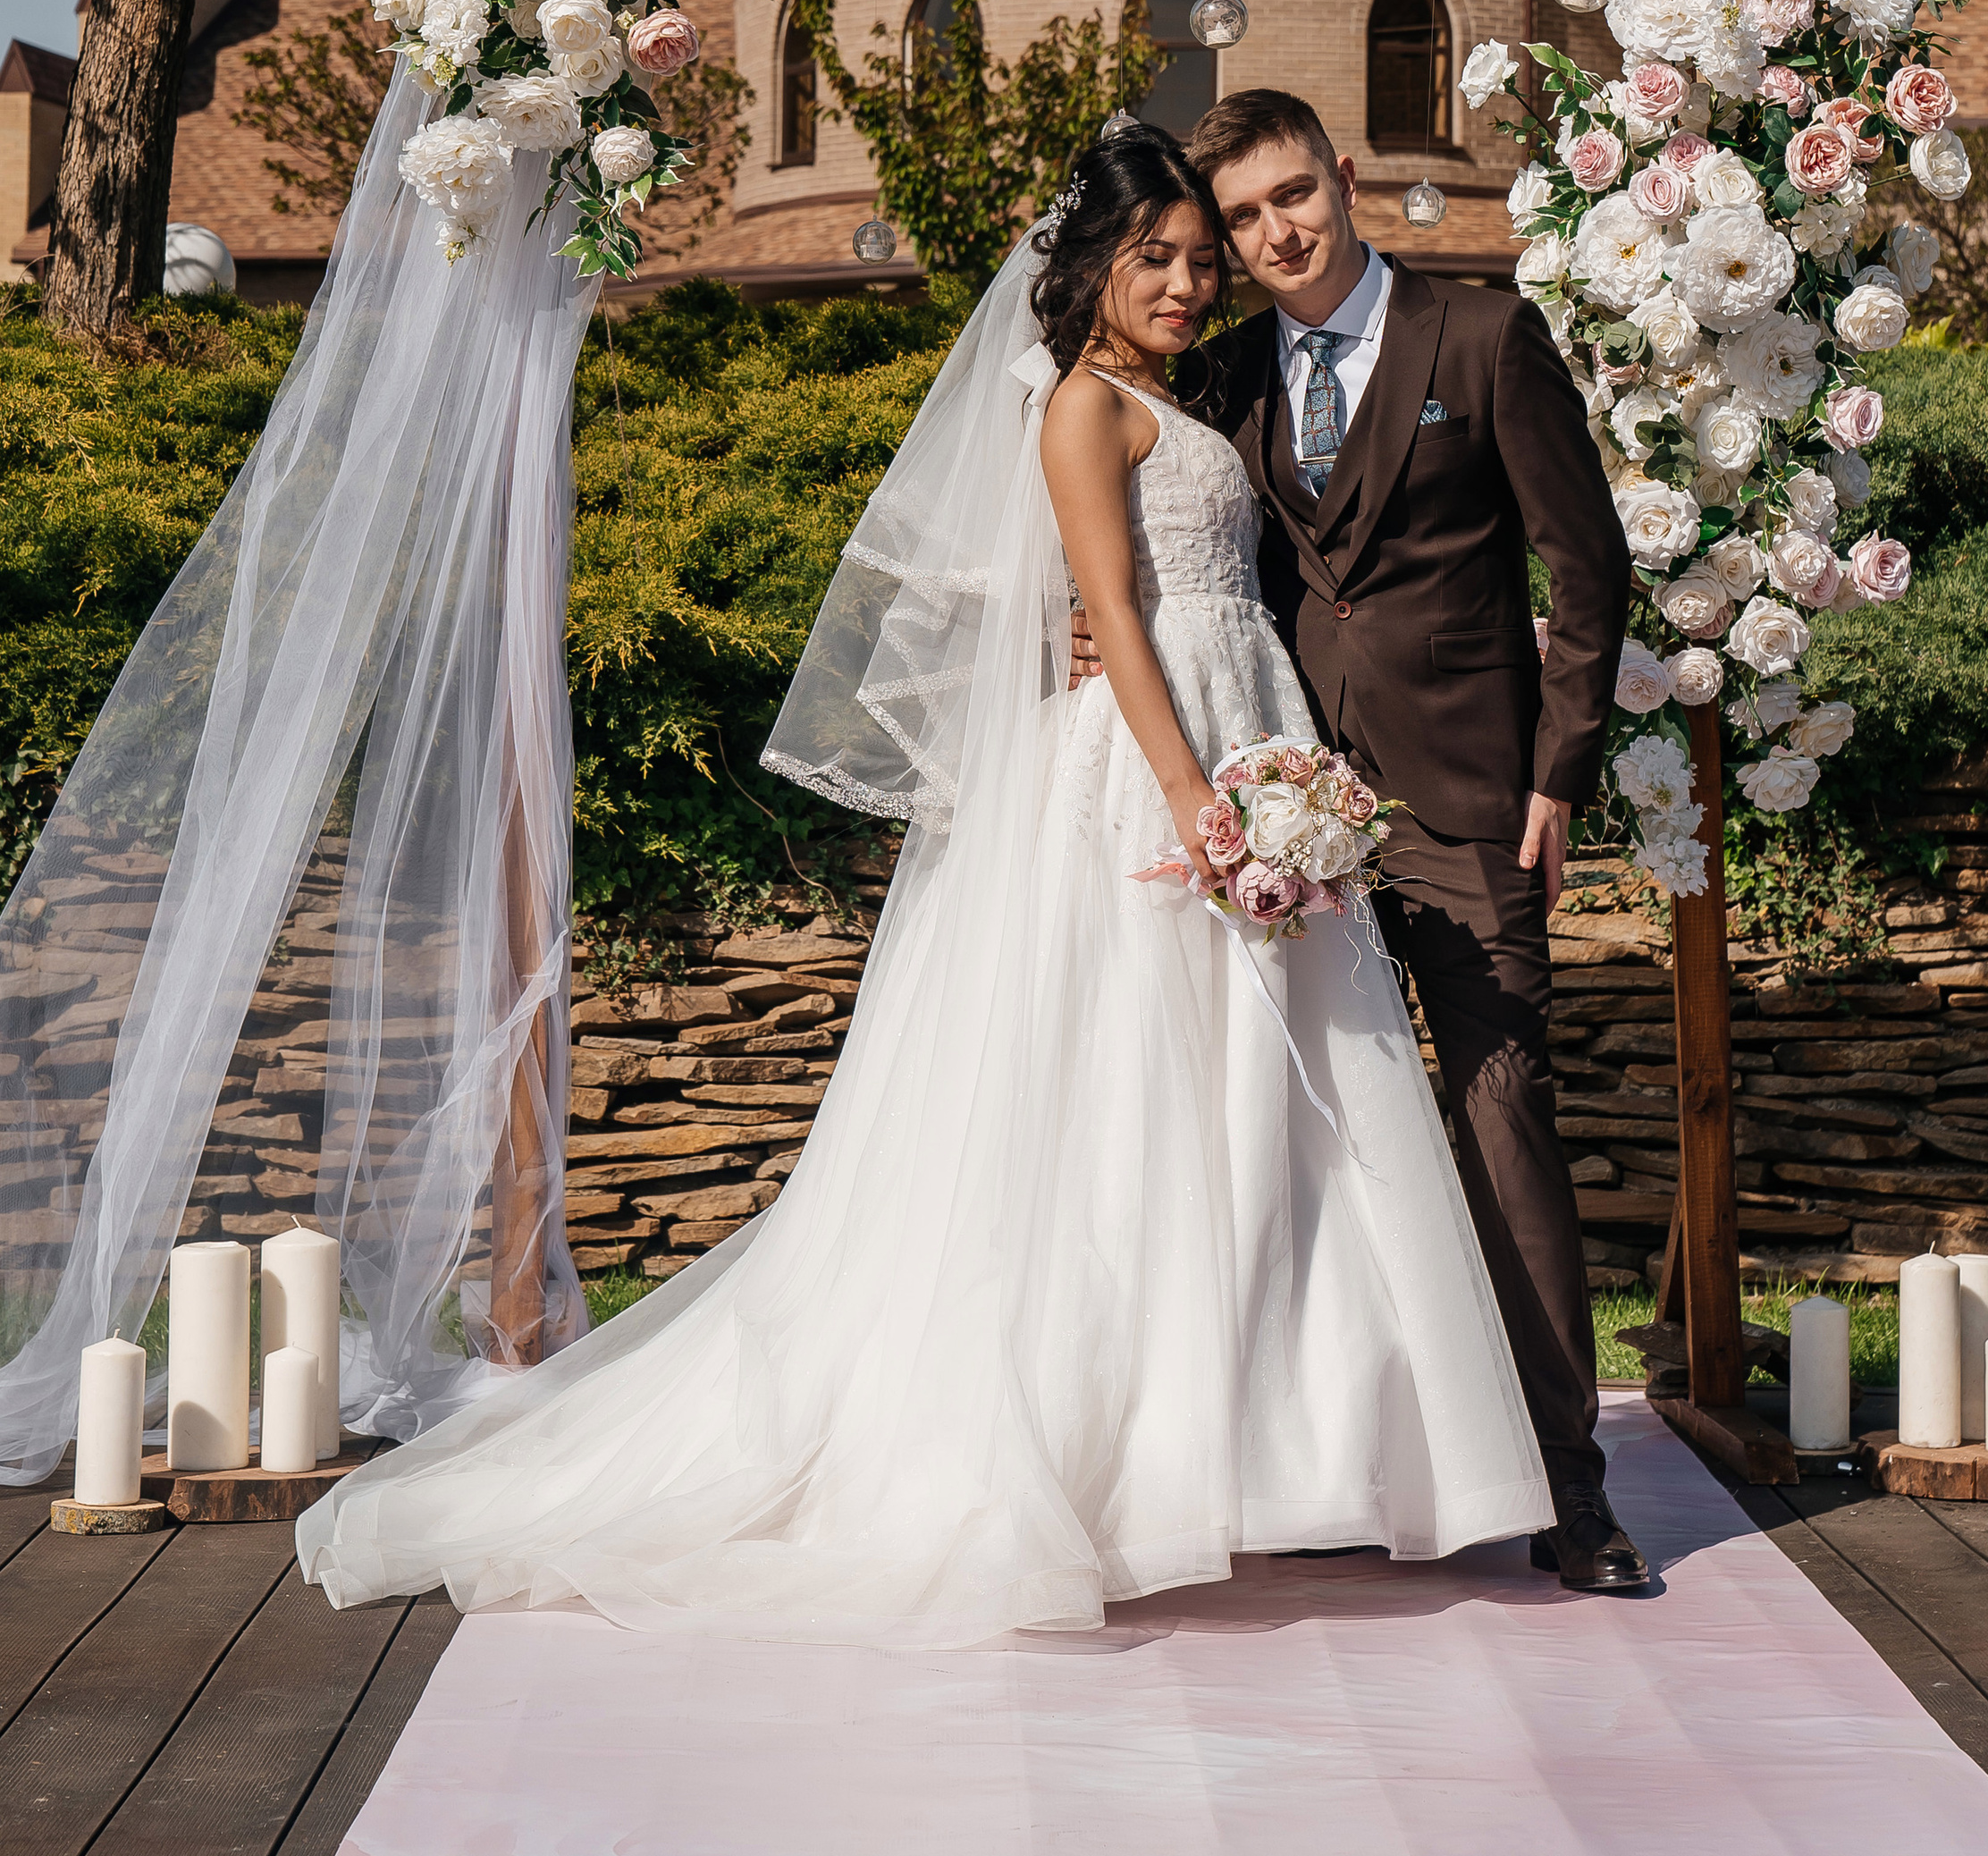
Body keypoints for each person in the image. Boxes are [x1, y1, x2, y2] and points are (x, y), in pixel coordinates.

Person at [296, 127, 1553, 1642]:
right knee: (1136, 1104)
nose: (1181, 282)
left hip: (1251, 729)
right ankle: (1135, 1459)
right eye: (1150, 258)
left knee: (1265, 1109)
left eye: (1193, 262)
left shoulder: (1181, 394)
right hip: (1171, 772)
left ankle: (1270, 1452)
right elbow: (1108, 615)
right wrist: (1194, 800)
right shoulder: (1086, 409)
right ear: (1084, 270)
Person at [1086, 91, 1644, 1594]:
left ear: (1347, 177)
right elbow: (1167, 544)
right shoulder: (1226, 377)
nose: (1273, 235)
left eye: (1293, 199)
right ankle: (1333, 1465)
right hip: (1287, 811)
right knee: (1295, 1141)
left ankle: (1572, 1491)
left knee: (1502, 1118)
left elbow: (1588, 568)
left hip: (1469, 810)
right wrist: (1089, 631)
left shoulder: (1482, 339)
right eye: (1244, 219)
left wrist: (1558, 771)